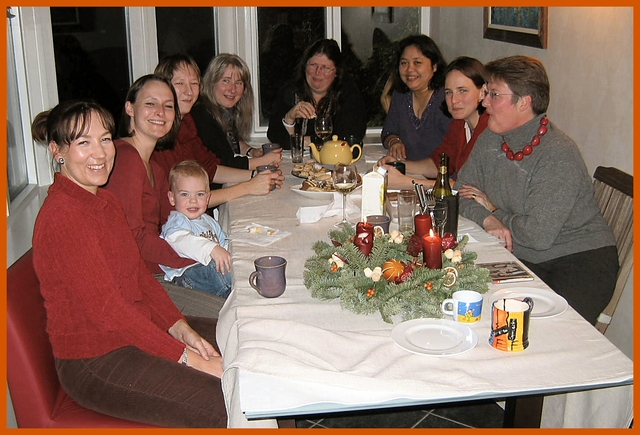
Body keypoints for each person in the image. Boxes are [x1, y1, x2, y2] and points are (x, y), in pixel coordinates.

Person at [31, 100, 227, 427]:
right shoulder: (62, 218)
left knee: (242, 337)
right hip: (97, 359)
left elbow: (140, 277)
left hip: (137, 329)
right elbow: (109, 310)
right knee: (223, 399)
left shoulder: (105, 201)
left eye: (105, 139)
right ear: (57, 150)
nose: (100, 153)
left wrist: (181, 328)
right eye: (83, 142)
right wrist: (189, 358)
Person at [456, 55, 618, 325]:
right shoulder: (492, 139)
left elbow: (538, 234)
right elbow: (461, 190)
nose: (484, 102)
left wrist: (495, 209)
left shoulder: (558, 153)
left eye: (493, 94)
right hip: (522, 256)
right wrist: (488, 219)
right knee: (472, 302)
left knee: (536, 329)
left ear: (524, 102)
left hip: (578, 261)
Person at [105, 75, 275, 282]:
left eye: (168, 106)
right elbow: (132, 241)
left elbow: (179, 219)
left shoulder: (155, 168)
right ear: (130, 108)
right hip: (146, 278)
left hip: (164, 266)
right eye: (150, 103)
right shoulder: (126, 158)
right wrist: (202, 257)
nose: (160, 112)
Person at [153, 54, 283, 195]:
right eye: (180, 83)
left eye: (194, 83)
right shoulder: (165, 133)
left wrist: (256, 176)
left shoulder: (186, 124)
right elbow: (187, 199)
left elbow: (211, 168)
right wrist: (249, 185)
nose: (189, 91)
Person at [378, 56, 489, 190]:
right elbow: (438, 165)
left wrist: (407, 182)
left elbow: (469, 188)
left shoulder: (489, 130)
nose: (454, 100)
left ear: (483, 92)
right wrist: (400, 164)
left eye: (462, 91)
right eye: (448, 92)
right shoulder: (459, 124)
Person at [267, 38, 367, 149]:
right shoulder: (290, 92)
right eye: (313, 65)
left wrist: (307, 140)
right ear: (304, 66)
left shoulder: (349, 94)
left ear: (337, 72)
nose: (318, 72)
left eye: (326, 68)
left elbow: (349, 138)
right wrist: (289, 119)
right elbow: (275, 138)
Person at [191, 53, 281, 175]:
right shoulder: (201, 115)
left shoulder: (225, 111)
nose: (232, 89)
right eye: (226, 81)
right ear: (211, 83)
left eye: (238, 83)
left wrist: (252, 152)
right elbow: (223, 163)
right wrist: (262, 161)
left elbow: (231, 142)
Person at [160, 160, 232, 298]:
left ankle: (233, 286)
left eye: (199, 194)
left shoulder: (208, 221)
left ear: (208, 197)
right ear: (172, 198)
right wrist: (211, 249)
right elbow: (180, 240)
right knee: (214, 268)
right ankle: (230, 289)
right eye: (185, 194)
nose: (193, 200)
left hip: (209, 274)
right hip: (185, 276)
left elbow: (223, 244)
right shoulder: (177, 221)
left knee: (229, 261)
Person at [381, 35, 452, 161]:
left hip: (441, 175)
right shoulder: (401, 95)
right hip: (409, 171)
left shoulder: (447, 99)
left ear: (434, 66)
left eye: (417, 63)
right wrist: (394, 142)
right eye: (404, 63)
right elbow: (388, 131)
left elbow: (453, 150)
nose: (409, 69)